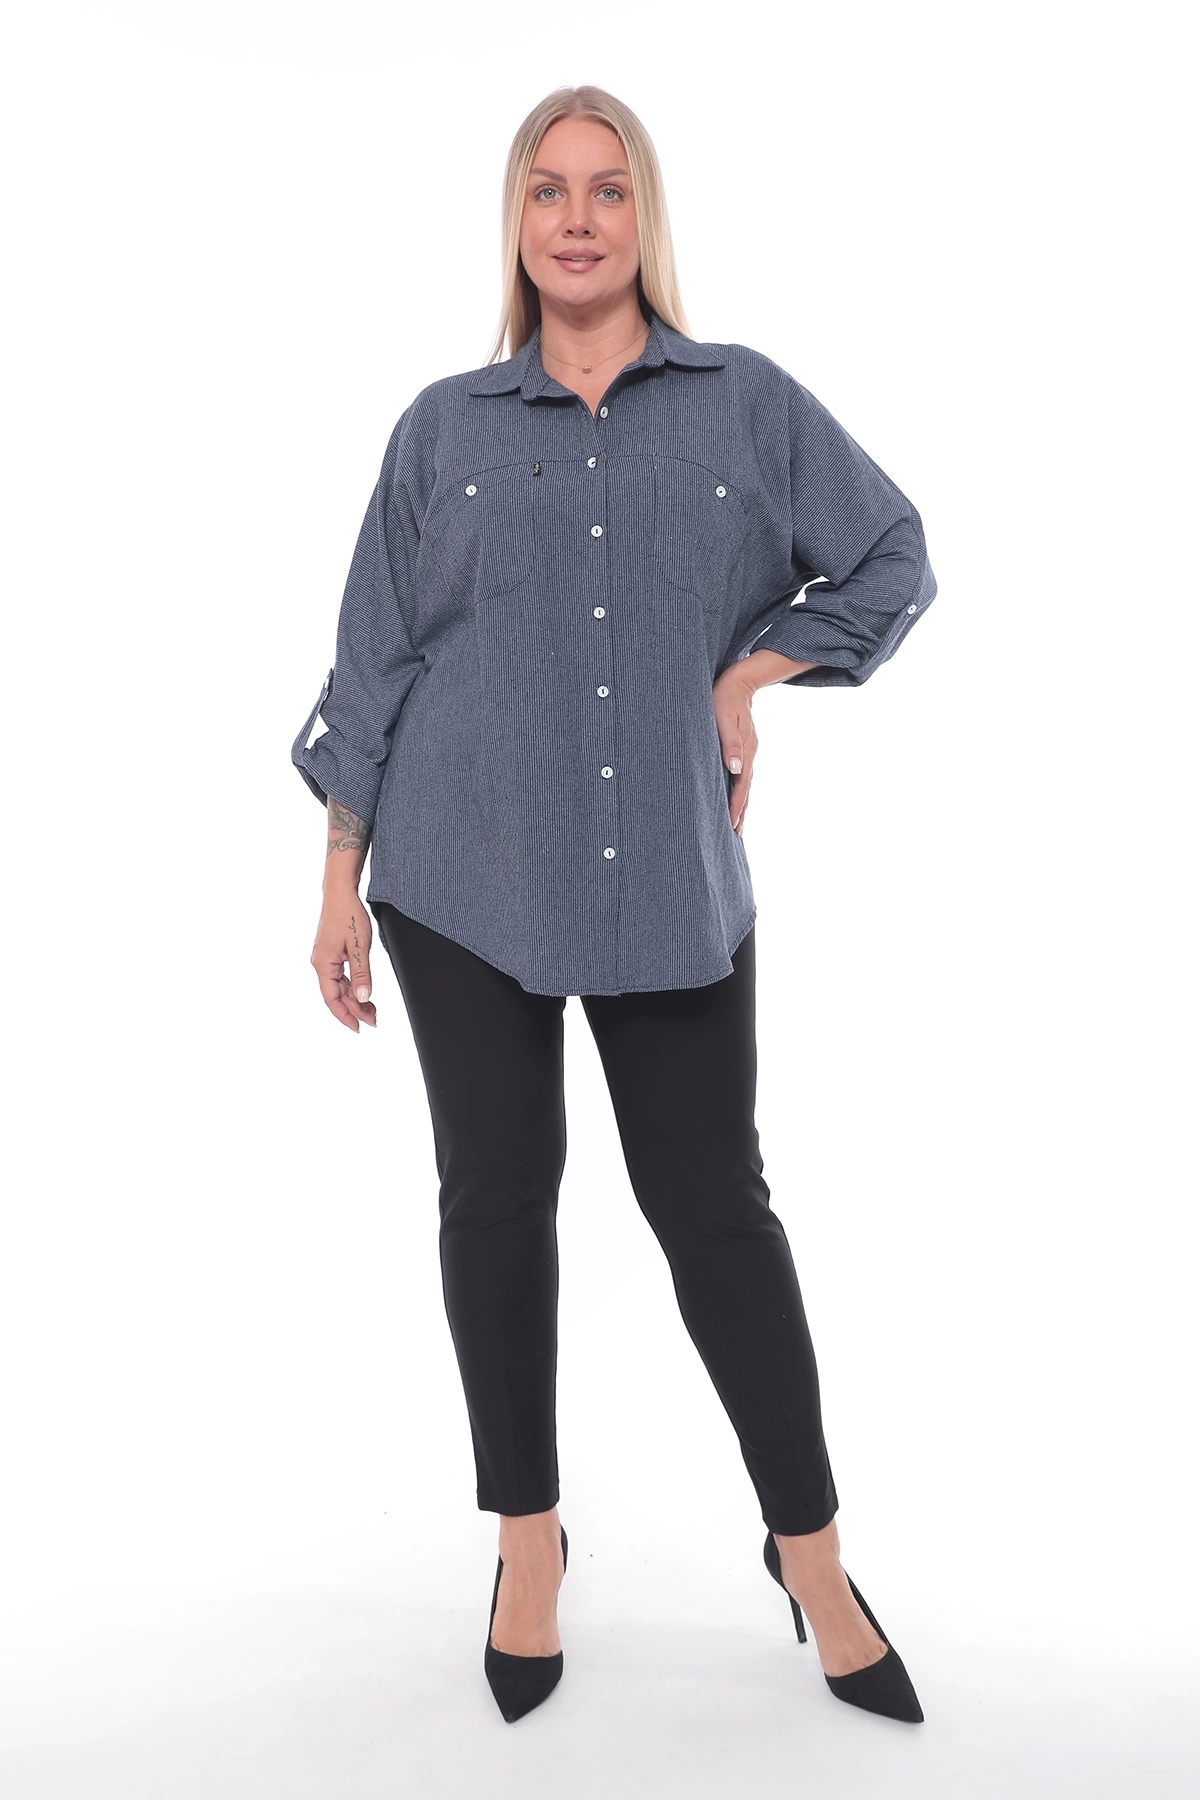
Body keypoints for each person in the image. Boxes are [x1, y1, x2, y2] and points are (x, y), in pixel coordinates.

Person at [291, 84, 936, 1727]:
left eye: (605, 190)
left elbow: (892, 555)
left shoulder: (747, 405)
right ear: (515, 224)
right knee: (497, 1200)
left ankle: (811, 1555)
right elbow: (374, 655)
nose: (575, 220)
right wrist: (339, 877)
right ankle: (528, 1541)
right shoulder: (443, 428)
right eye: (546, 191)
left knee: (715, 1206)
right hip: (460, 874)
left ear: (644, 216)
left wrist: (752, 670)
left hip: (664, 876)